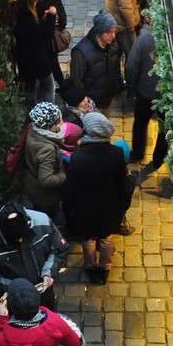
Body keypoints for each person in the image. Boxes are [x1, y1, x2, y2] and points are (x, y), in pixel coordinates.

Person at [62, 112, 129, 285]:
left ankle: (91, 267)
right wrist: (121, 202)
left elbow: (71, 187)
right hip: (109, 205)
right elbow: (122, 182)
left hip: (85, 207)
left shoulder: (78, 157)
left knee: (88, 239)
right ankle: (105, 268)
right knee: (106, 238)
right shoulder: (117, 153)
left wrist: (68, 207)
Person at [0, 201, 68, 312]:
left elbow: (59, 250)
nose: (20, 241)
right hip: (15, 301)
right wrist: (16, 288)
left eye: (23, 236)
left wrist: (49, 272)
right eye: (15, 239)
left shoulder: (43, 222)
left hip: (45, 295)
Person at [125, 25, 168, 170]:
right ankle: (159, 159)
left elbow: (132, 66)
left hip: (145, 92)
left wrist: (133, 84)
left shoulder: (145, 39)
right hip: (168, 97)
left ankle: (138, 153)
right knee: (164, 128)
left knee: (140, 122)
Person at [24, 102, 67, 220]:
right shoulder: (47, 149)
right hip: (45, 197)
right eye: (59, 122)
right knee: (46, 221)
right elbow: (46, 179)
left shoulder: (33, 128)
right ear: (49, 127)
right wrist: (64, 176)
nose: (62, 123)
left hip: (33, 185)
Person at [70, 12, 121, 112]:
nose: (113, 36)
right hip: (92, 105)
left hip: (108, 99)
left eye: (114, 31)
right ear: (99, 32)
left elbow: (116, 67)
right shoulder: (81, 52)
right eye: (109, 32)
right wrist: (83, 100)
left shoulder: (112, 43)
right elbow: (76, 80)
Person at [14, 0, 57, 108]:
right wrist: (52, 16)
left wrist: (43, 21)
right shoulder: (27, 18)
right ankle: (47, 116)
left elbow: (36, 32)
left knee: (30, 86)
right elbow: (46, 34)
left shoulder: (21, 14)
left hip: (25, 59)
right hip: (37, 59)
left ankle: (32, 115)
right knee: (49, 86)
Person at [37, 0, 68, 90]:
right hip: (45, 26)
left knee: (52, 58)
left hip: (51, 25)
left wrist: (62, 20)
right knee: (52, 59)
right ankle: (61, 86)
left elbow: (58, 2)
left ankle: (59, 85)